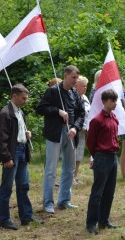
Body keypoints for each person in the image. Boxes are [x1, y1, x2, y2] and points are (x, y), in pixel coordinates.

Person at [36, 65, 85, 214]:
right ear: (65, 75)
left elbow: (81, 114)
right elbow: (40, 108)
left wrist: (75, 128)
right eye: (73, 78)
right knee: (51, 170)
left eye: (77, 78)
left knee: (69, 169)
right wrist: (57, 111)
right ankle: (48, 202)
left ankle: (64, 200)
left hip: (71, 134)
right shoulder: (53, 91)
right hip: (54, 134)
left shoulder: (75, 93)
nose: (75, 81)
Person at [0, 84, 43, 230]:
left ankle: (26, 216)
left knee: (23, 185)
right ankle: (4, 219)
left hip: (21, 150)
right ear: (14, 96)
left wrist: (26, 134)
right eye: (23, 98)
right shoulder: (5, 114)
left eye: (26, 98)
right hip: (12, 153)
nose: (25, 101)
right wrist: (7, 158)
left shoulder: (20, 112)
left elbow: (17, 131)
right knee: (7, 187)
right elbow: (1, 139)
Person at [85, 89, 120, 235]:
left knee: (109, 191)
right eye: (112, 101)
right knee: (97, 192)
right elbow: (90, 142)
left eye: (115, 101)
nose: (114, 104)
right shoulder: (97, 120)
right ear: (104, 101)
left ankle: (104, 220)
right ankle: (91, 223)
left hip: (113, 157)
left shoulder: (114, 118)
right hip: (102, 156)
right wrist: (96, 157)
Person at [74, 75, 91, 185]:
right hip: (75, 129)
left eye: (86, 86)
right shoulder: (73, 97)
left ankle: (75, 176)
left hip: (84, 129)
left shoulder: (84, 97)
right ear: (76, 86)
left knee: (79, 154)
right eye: (83, 86)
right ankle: (70, 177)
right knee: (73, 154)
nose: (85, 88)